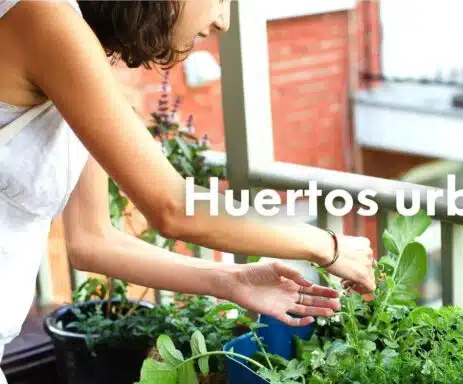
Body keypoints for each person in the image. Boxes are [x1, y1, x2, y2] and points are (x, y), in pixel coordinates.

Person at [0, 0, 376, 380]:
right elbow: (173, 207)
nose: (223, 21)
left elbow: (93, 241)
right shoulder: (43, 16)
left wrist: (233, 281)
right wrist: (326, 245)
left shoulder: (80, 45)